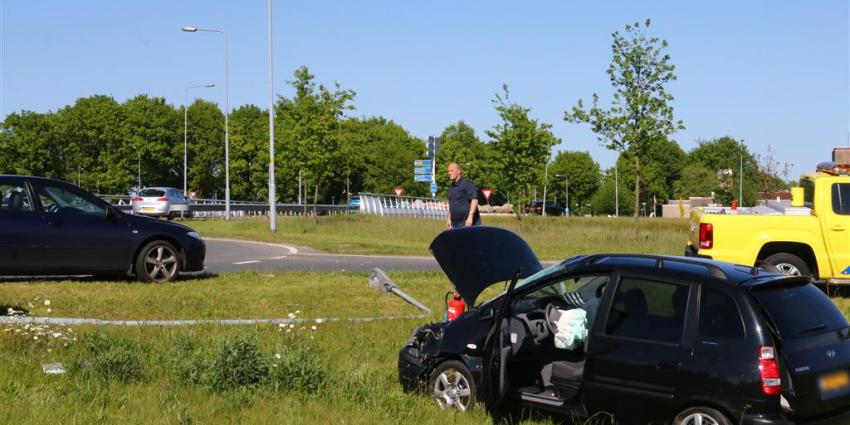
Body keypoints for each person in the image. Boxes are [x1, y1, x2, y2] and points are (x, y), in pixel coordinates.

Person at [446, 162, 481, 229]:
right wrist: (449, 218)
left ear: (459, 171)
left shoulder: (467, 184)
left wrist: (470, 217)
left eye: (451, 171)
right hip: (455, 225)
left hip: (468, 224)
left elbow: (474, 200)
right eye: (448, 171)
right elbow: (452, 205)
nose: (449, 173)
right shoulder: (452, 187)